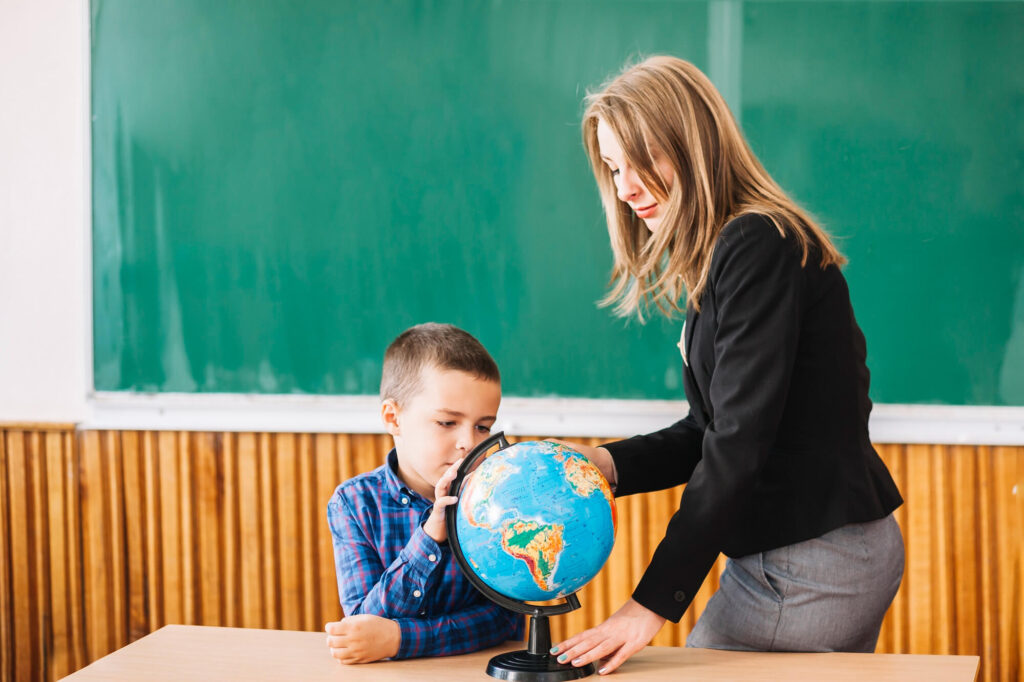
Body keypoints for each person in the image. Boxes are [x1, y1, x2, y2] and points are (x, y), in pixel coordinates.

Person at [549, 56, 905, 675]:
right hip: (797, 556)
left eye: (643, 160)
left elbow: (738, 442)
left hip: (807, 563)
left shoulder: (756, 244)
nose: (627, 188)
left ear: (695, 146)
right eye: (613, 168)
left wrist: (646, 606)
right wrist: (607, 463)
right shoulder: (734, 252)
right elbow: (711, 431)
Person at [324, 323, 524, 663]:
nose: (469, 443)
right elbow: (364, 624)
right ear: (393, 418)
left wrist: (400, 639)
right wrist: (430, 537)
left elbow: (504, 619)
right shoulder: (355, 504)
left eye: (483, 427)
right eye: (447, 422)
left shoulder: (497, 499)